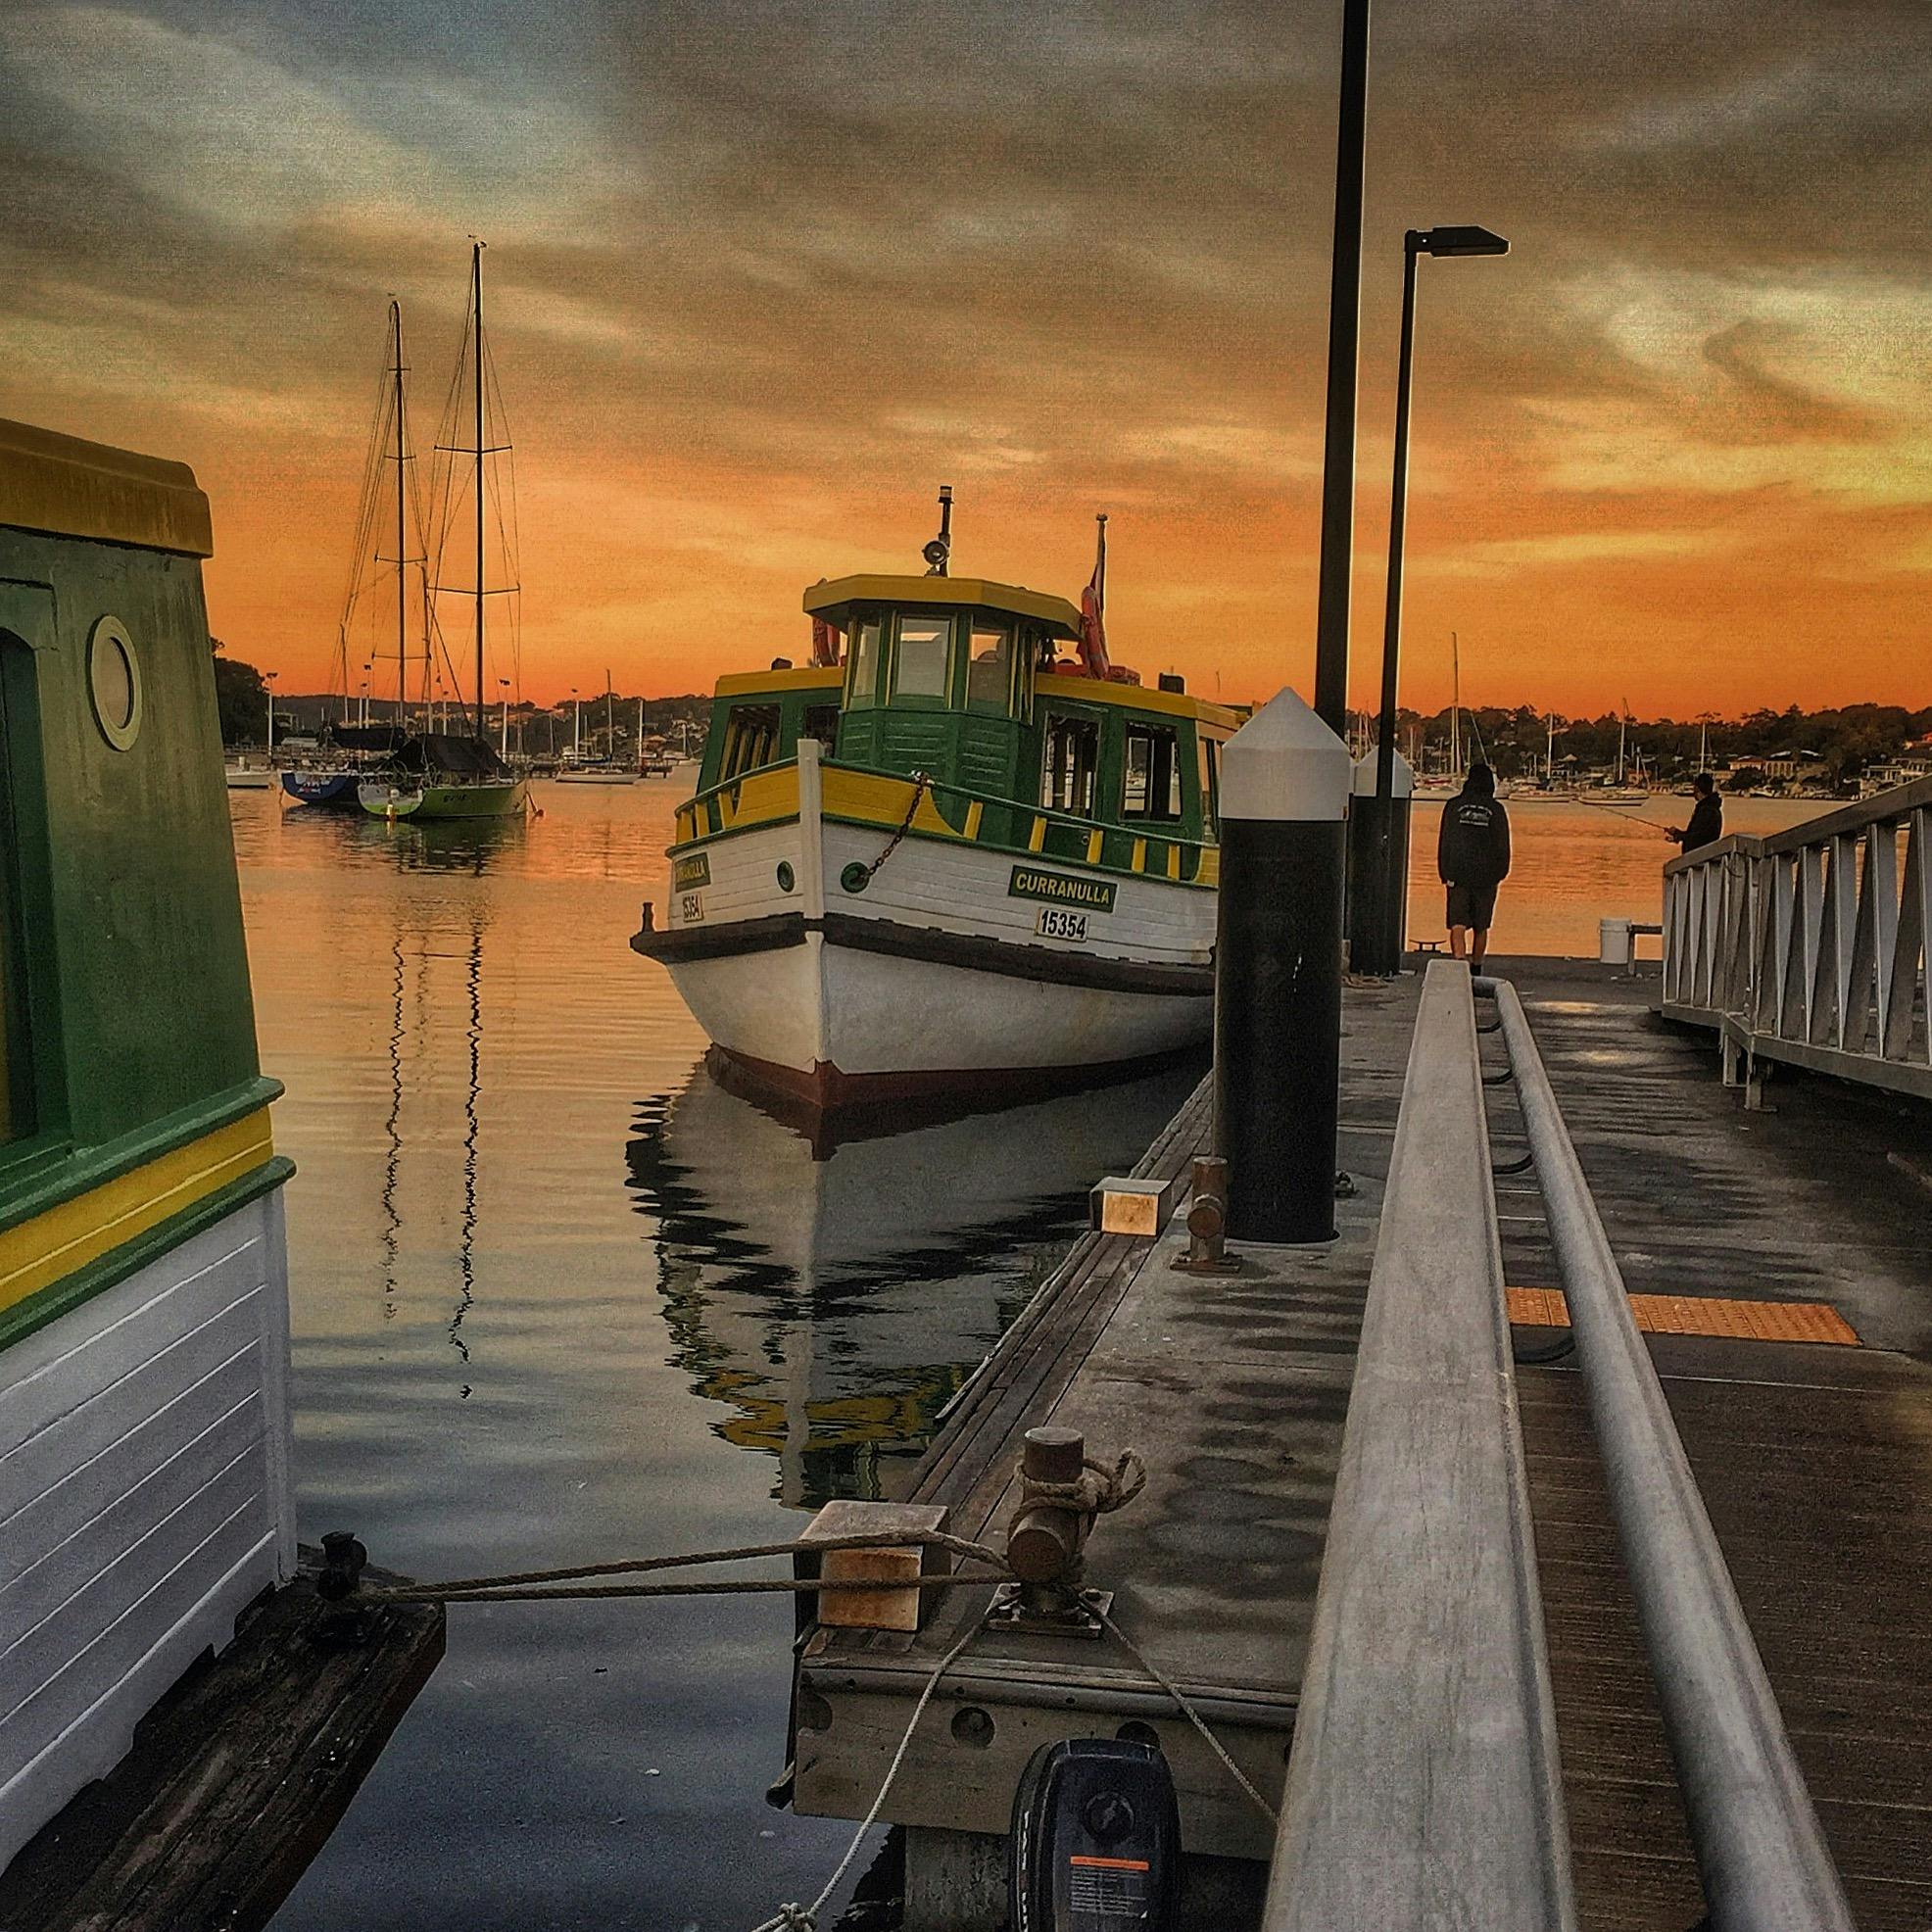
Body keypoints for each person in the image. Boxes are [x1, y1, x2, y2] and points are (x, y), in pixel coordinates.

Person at [1437, 762, 1511, 965]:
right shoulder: (1496, 809)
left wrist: (1445, 873)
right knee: (1481, 926)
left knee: (1457, 923)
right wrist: (1500, 873)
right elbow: (1503, 844)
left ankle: (1459, 962)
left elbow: (1445, 841)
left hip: (1457, 874)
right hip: (1486, 876)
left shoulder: (1453, 806)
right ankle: (1476, 966)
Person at [1668, 773, 1723, 854]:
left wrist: (1679, 836)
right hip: (1706, 854)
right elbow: (1697, 834)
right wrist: (1677, 833)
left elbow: (1698, 837)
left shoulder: (1706, 810)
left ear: (1697, 788)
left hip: (1699, 857)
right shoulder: (1712, 808)